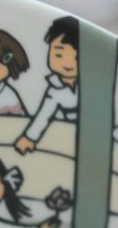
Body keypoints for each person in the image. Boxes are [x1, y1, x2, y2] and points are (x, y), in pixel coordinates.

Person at [16, 16, 80, 152]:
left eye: (77, 58)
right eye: (59, 55)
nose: (68, 63)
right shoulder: (55, 89)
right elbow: (44, 115)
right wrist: (29, 138)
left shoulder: (92, 86)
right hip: (64, 137)